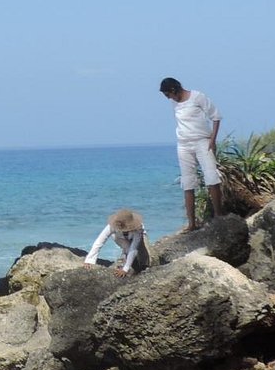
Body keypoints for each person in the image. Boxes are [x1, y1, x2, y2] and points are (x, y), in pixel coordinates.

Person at [160, 76, 224, 230]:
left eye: (168, 94)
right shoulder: (174, 103)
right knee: (188, 182)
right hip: (183, 143)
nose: (168, 98)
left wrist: (212, 140)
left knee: (211, 177)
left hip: (202, 140)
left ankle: (218, 214)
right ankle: (192, 223)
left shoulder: (197, 97)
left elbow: (216, 116)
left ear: (174, 89)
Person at [83, 208, 149, 276]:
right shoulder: (112, 226)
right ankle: (131, 265)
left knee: (142, 251)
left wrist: (125, 269)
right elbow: (100, 241)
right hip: (119, 237)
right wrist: (89, 260)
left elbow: (134, 249)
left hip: (138, 237)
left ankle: (144, 267)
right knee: (127, 248)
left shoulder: (138, 228)